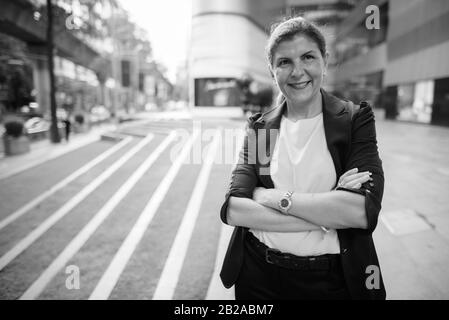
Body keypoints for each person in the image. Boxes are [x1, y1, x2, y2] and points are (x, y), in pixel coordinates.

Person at [219, 16, 385, 300]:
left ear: (325, 61)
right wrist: (330, 213)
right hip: (258, 276)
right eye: (284, 62)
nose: (298, 72)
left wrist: (273, 198)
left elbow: (360, 211)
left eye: (308, 57)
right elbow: (235, 209)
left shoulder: (354, 119)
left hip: (331, 280)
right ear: (273, 72)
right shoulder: (261, 128)